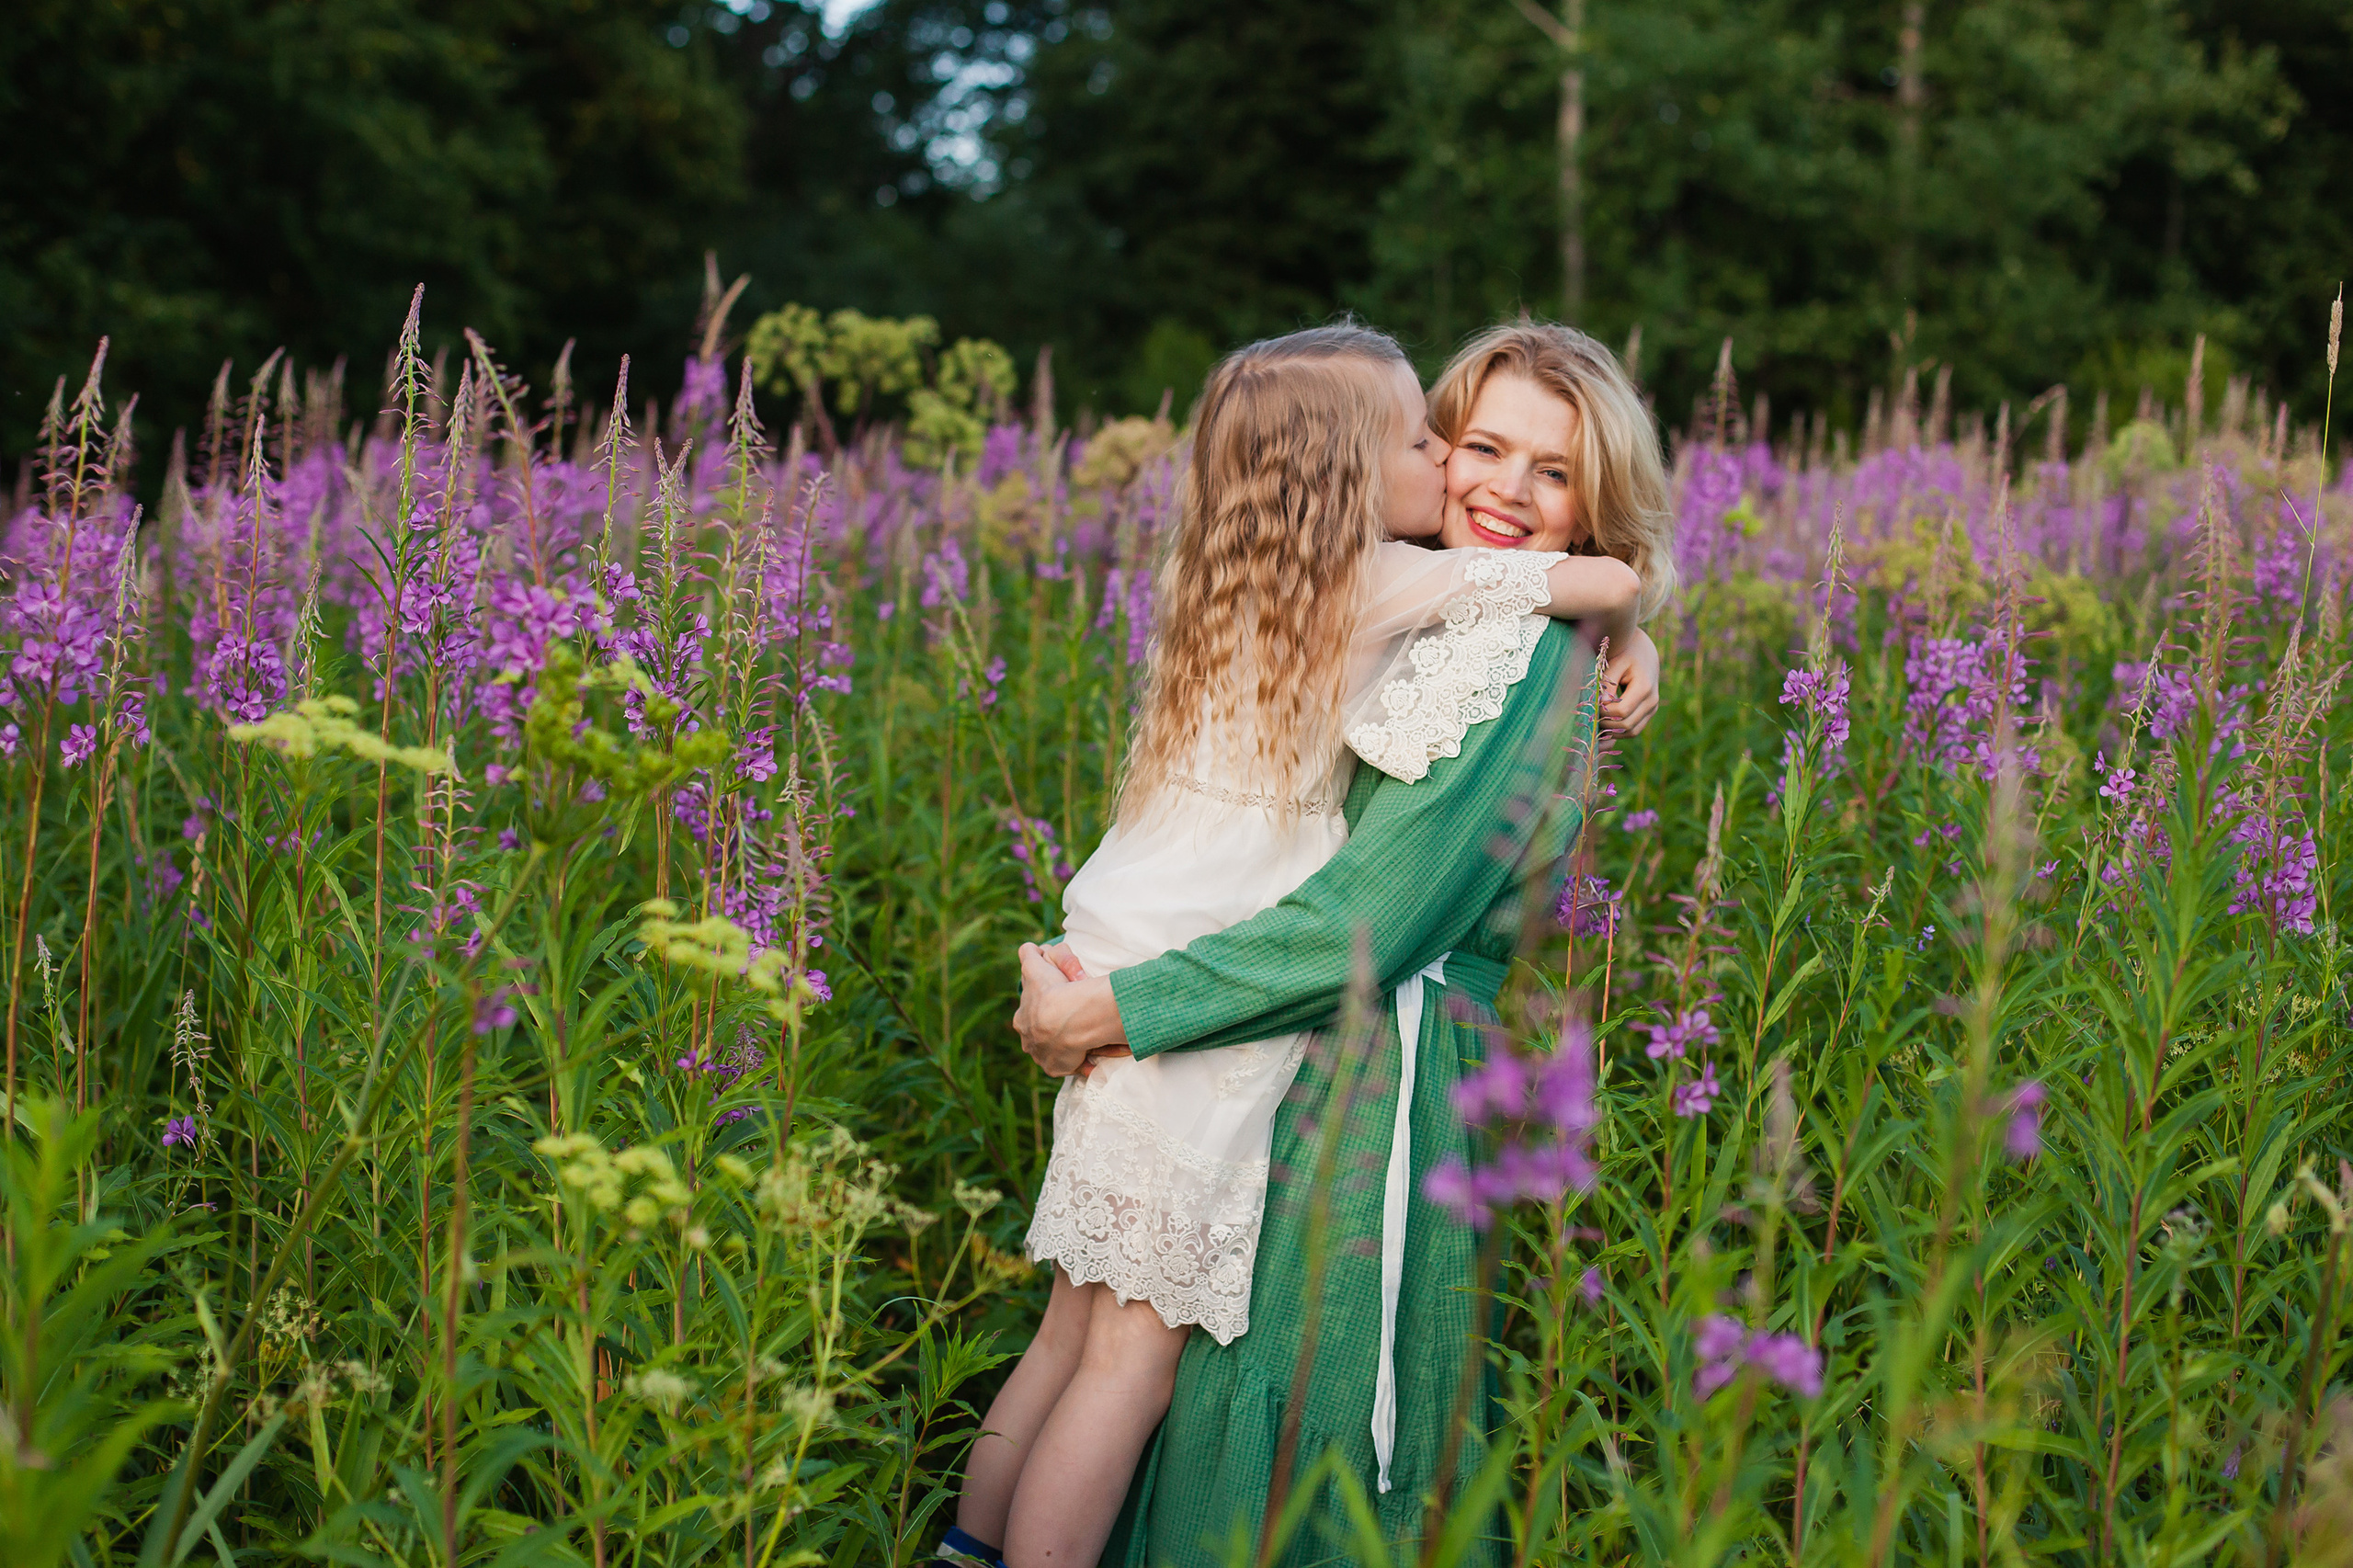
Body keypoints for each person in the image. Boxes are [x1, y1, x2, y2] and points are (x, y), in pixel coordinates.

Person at [938, 321, 1656, 1568]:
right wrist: (1622, 601)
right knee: (1130, 1366)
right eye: (1463, 441)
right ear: (1367, 468)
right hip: (1199, 1015)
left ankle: (967, 1549)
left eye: (1554, 471)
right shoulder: (1407, 592)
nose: (1484, 478)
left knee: (1071, 1336)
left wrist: (1613, 635)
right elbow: (1575, 584)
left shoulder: (1250, 569)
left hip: (1141, 970)